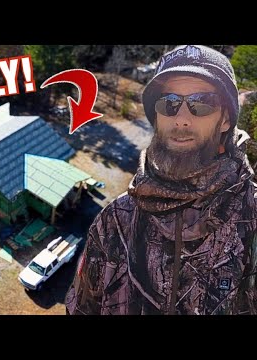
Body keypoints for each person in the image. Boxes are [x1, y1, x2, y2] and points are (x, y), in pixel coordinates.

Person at [65, 45, 257, 315]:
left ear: (225, 119)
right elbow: (81, 308)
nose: (181, 119)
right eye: (169, 103)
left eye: (202, 103)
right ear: (156, 116)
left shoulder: (252, 220)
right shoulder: (115, 220)